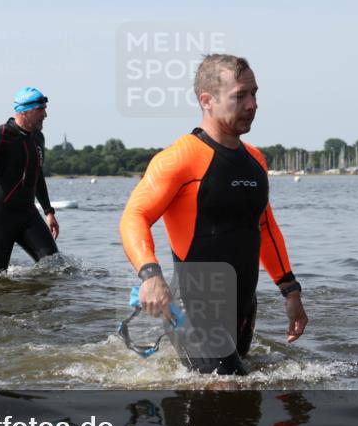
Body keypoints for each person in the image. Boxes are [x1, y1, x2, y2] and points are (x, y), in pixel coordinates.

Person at [120, 54, 308, 375]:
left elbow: (265, 226)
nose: (252, 104)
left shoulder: (255, 160)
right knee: (228, 391)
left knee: (240, 413)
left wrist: (290, 290)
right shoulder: (179, 158)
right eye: (240, 96)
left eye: (254, 93)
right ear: (206, 101)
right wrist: (150, 276)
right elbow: (134, 216)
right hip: (195, 311)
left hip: (243, 310)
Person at [0, 86, 59, 271]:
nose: (45, 114)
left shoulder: (38, 138)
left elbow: (37, 176)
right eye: (41, 109)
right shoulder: (1, 136)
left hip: (28, 215)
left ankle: (35, 298)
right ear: (25, 111)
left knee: (55, 267)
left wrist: (49, 212)